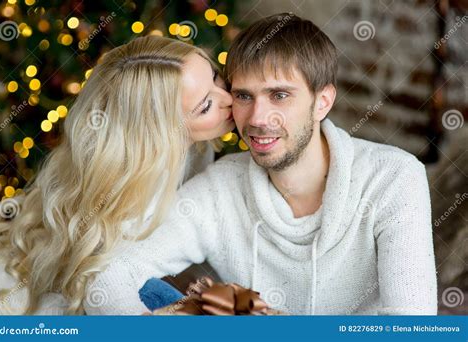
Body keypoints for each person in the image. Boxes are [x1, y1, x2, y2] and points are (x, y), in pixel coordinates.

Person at [84, 13, 438, 316]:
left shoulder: (394, 177)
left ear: (322, 102)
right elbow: (109, 274)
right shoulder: (220, 186)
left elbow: (410, 329)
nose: (257, 118)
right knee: (150, 296)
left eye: (279, 95)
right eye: (243, 96)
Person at [0, 35, 234, 315]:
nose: (228, 97)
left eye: (215, 77)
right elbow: (103, 285)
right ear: (160, 130)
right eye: (205, 106)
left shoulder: (196, 150)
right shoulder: (133, 196)